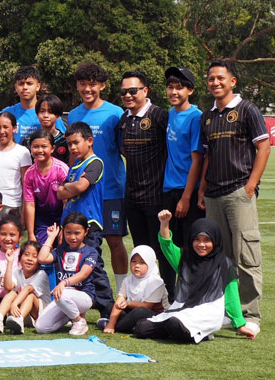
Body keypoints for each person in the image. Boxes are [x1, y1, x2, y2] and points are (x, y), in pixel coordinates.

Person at [198, 60, 270, 333]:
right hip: (214, 195)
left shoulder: (247, 109)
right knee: (221, 258)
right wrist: (203, 189)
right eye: (211, 79)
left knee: (246, 255)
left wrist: (250, 186)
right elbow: (207, 156)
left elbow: (263, 148)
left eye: (220, 78)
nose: (215, 83)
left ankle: (251, 314)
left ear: (232, 81)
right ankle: (230, 311)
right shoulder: (208, 116)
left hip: (239, 191)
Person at [134, 211, 256, 342]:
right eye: (197, 239)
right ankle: (190, 332)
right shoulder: (185, 259)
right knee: (142, 328)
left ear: (215, 241)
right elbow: (167, 246)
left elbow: (232, 297)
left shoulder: (224, 264)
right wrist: (164, 224)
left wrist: (239, 324)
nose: (201, 244)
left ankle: (201, 333)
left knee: (174, 324)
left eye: (207, 240)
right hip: (182, 309)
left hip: (208, 312)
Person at [67, 63, 128, 294]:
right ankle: (82, 292)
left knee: (114, 240)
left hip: (111, 189)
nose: (87, 89)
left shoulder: (115, 113)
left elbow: (123, 149)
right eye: (82, 84)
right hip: (84, 192)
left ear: (102, 85)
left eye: (92, 84)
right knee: (80, 241)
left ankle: (122, 292)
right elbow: (74, 154)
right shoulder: (73, 114)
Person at [119, 71, 173, 293]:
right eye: (124, 92)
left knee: (163, 252)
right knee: (142, 252)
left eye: (133, 90)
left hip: (157, 197)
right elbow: (122, 150)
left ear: (145, 91)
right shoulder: (124, 119)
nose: (128, 95)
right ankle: (145, 298)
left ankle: (171, 296)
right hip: (132, 198)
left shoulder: (160, 116)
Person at [57, 122, 114, 323]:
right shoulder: (75, 165)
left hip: (89, 224)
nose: (72, 148)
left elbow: (80, 187)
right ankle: (72, 310)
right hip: (69, 225)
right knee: (69, 268)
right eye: (69, 144)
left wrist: (70, 187)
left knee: (93, 267)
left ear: (89, 141)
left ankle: (108, 310)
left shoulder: (95, 163)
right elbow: (60, 191)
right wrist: (69, 188)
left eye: (76, 143)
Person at [34, 213, 98, 336]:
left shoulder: (91, 252)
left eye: (77, 233)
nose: (72, 237)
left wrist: (64, 283)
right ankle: (73, 316)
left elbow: (84, 274)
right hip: (62, 298)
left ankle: (79, 322)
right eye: (68, 233)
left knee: (62, 292)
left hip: (84, 297)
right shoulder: (60, 250)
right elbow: (42, 258)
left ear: (86, 232)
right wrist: (51, 237)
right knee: (41, 328)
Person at [162, 67, 204, 249]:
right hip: (169, 190)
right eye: (170, 87)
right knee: (170, 245)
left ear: (190, 90)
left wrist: (186, 198)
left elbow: (198, 160)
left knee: (189, 246)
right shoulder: (170, 113)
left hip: (187, 192)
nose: (174, 92)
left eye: (179, 87)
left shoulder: (196, 117)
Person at [0, 66, 66, 144]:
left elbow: (63, 138)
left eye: (29, 83)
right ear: (16, 87)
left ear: (38, 86)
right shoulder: (7, 113)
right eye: (21, 84)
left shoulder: (49, 113)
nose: (25, 87)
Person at [103, 245, 168, 334]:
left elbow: (147, 306)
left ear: (150, 263)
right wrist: (111, 324)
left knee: (140, 311)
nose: (137, 266)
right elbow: (119, 302)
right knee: (110, 306)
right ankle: (121, 325)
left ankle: (117, 326)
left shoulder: (156, 282)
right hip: (134, 310)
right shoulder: (128, 280)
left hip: (155, 314)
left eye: (142, 263)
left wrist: (128, 303)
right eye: (133, 261)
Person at [22, 129, 69, 245]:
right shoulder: (29, 174)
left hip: (62, 216)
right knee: (42, 252)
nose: (40, 150)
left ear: (52, 148)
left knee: (61, 252)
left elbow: (66, 203)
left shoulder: (61, 169)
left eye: (44, 146)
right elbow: (30, 204)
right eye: (35, 147)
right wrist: (31, 234)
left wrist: (64, 228)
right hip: (42, 219)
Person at [2, 241, 50, 334]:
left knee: (30, 296)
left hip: (40, 316)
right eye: (26, 255)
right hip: (23, 313)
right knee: (11, 293)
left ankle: (19, 320)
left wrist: (14, 304)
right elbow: (8, 287)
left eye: (34, 256)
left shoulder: (41, 274)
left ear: (39, 261)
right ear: (20, 258)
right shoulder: (17, 273)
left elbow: (28, 289)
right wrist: (9, 263)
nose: (29, 259)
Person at [33, 95, 69, 164]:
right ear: (37, 115)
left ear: (58, 115)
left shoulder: (64, 141)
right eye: (42, 111)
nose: (46, 115)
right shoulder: (29, 140)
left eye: (50, 112)